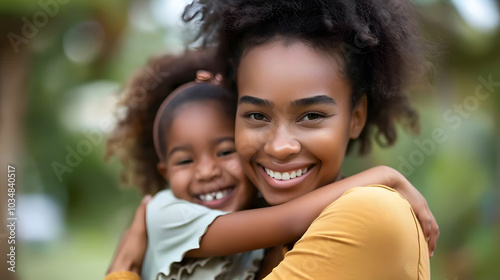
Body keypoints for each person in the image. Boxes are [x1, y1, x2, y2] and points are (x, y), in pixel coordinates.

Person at [105, 25, 437, 279]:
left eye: (311, 116)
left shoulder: (373, 215)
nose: (280, 147)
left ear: (357, 117)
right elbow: (287, 222)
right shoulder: (193, 221)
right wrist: (381, 175)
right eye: (256, 116)